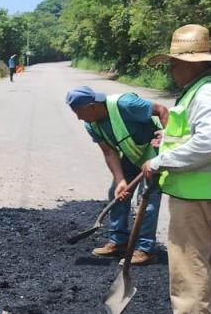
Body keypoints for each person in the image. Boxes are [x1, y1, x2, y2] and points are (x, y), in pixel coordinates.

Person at [140, 24, 211, 314]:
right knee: (202, 254)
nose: (171, 69)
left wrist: (159, 162)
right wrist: (168, 140)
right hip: (207, 188)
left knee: (187, 257)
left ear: (192, 62)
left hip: (200, 189)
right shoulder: (208, 86)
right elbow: (193, 134)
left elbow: (206, 143)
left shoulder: (208, 91)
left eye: (173, 63)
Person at [66, 86, 169, 265]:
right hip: (133, 155)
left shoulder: (125, 104)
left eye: (79, 112)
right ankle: (119, 241)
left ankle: (145, 249)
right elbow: (109, 153)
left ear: (92, 106)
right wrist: (121, 180)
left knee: (146, 199)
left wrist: (168, 140)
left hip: (154, 152)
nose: (78, 117)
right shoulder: (91, 124)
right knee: (117, 192)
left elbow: (161, 110)